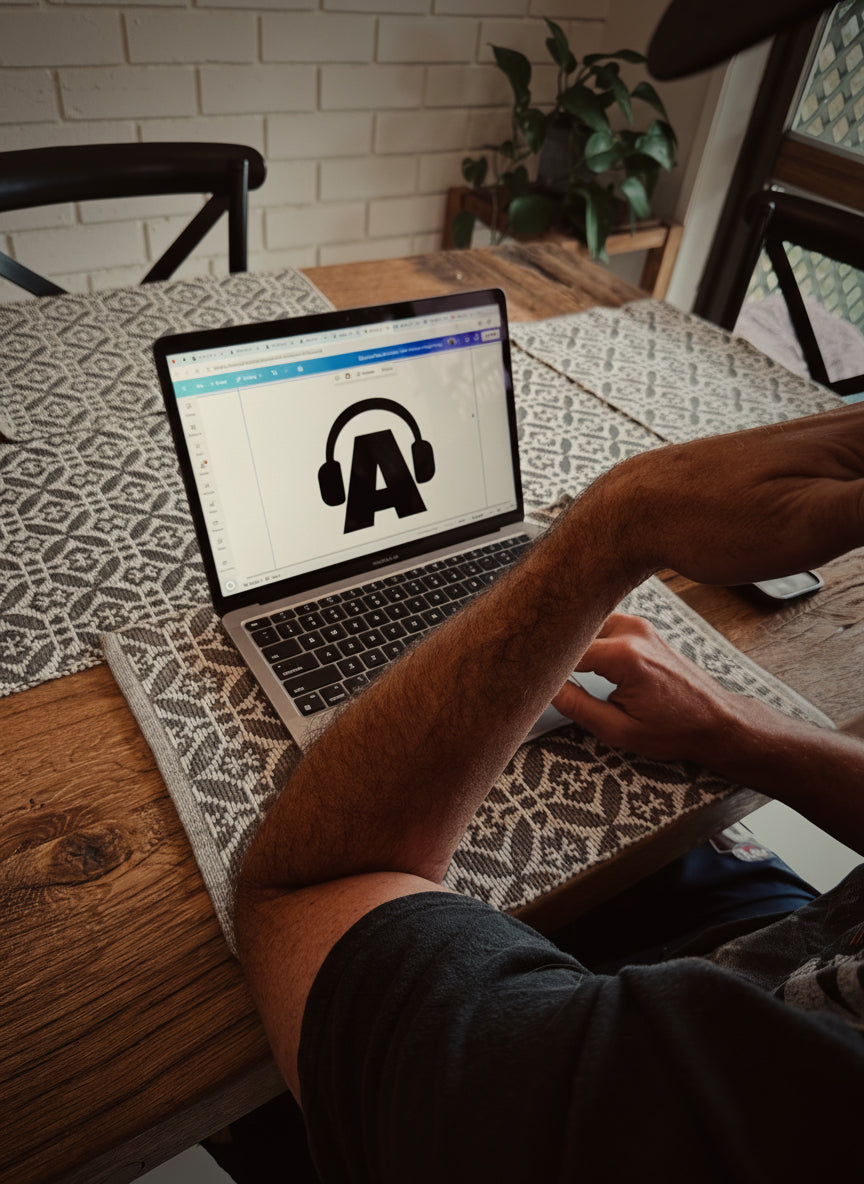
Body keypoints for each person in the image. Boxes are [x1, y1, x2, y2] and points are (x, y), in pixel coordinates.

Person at [233, 405, 864, 1181]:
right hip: (798, 931)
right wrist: (737, 730)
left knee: (235, 1075)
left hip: (661, 1054)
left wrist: (623, 518)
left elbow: (310, 890)